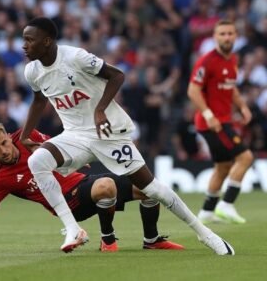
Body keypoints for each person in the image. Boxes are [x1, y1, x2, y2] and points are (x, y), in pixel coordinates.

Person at [20, 17, 234, 255]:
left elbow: (117, 75)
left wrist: (100, 109)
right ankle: (73, 229)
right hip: (74, 135)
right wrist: (25, 134)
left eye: (30, 40)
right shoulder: (32, 71)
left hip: (108, 133)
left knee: (152, 189)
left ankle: (206, 234)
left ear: (47, 41)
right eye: (24, 40)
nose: (24, 45)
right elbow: (39, 100)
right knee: (36, 160)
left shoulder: (75, 57)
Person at [0, 122, 185, 253]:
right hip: (67, 203)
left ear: (8, 136)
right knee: (106, 186)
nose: (3, 151)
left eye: (4, 143)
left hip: (82, 181)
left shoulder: (27, 136)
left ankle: (151, 240)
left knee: (149, 187)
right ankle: (107, 239)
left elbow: (54, 145)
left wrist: (73, 158)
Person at [187, 19, 254, 224]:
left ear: (236, 36)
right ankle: (227, 205)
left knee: (223, 167)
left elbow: (230, 87)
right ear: (215, 37)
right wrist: (208, 114)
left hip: (223, 120)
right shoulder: (207, 61)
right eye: (222, 34)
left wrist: (242, 106)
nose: (226, 37)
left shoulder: (232, 59)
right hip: (213, 122)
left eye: (230, 33)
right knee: (245, 158)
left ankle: (207, 211)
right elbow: (193, 90)